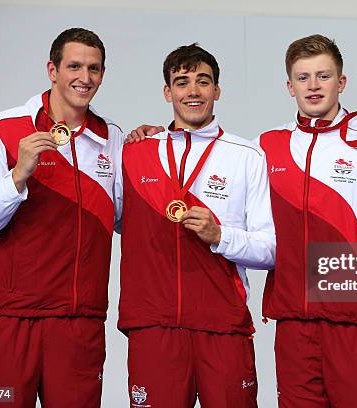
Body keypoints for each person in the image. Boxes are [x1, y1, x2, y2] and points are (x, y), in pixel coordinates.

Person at [0, 28, 123, 407]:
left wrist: (158, 145)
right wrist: (17, 176)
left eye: (94, 68)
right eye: (74, 66)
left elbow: (128, 221)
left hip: (80, 321)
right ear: (52, 69)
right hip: (10, 318)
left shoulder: (112, 138)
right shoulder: (4, 128)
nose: (85, 78)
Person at [257, 34, 357, 407]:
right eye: (303, 77)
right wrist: (153, 134)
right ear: (289, 85)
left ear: (341, 82)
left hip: (355, 318)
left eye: (323, 76)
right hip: (293, 320)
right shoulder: (268, 145)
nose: (313, 86)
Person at [119, 43, 275, 408]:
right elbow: (110, 219)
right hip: (153, 325)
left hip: (222, 324)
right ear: (167, 91)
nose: (192, 91)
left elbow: (272, 248)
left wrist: (221, 236)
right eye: (182, 81)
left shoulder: (246, 156)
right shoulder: (136, 152)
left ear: (217, 91)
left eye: (203, 82)